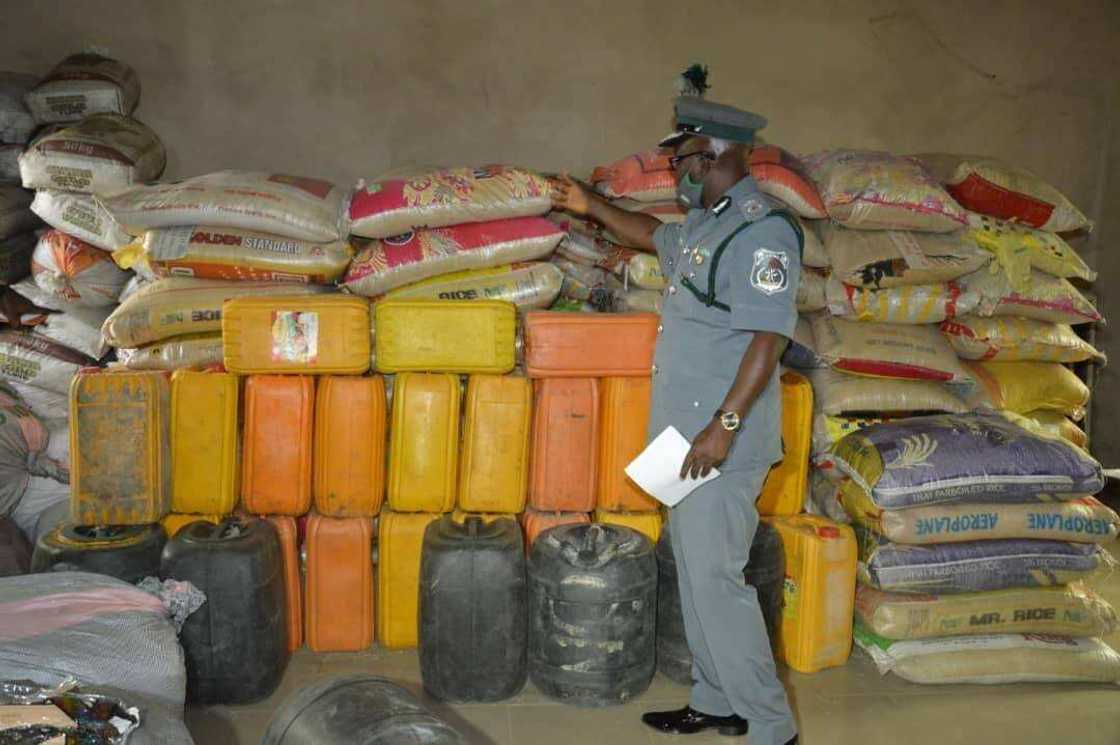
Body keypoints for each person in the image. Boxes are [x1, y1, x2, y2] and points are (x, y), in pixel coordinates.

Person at [549, 96, 802, 745]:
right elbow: (643, 230)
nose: (673, 172)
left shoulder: (761, 230)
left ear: (717, 152)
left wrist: (723, 426)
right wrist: (589, 207)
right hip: (681, 436)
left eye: (682, 158)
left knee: (718, 580)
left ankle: (771, 725)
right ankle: (715, 699)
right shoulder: (703, 224)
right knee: (694, 573)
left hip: (720, 441)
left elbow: (767, 339)